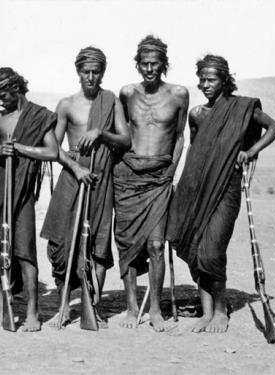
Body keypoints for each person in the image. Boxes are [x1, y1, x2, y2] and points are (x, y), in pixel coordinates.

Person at [167, 54, 275, 333]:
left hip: (227, 187)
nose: (205, 84)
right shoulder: (196, 114)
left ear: (224, 80)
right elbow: (197, 151)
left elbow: (274, 127)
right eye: (202, 79)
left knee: (212, 251)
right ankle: (206, 312)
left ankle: (220, 310)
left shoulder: (242, 108)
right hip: (196, 188)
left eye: (211, 79)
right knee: (194, 246)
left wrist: (250, 151)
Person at [40, 47, 130, 328]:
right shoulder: (66, 105)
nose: (91, 76)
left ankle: (94, 306)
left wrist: (101, 133)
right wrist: (76, 167)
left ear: (103, 72)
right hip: (73, 175)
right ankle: (64, 307)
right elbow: (52, 146)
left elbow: (125, 140)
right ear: (78, 71)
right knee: (61, 243)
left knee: (98, 242)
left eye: (96, 71)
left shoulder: (111, 100)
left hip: (101, 178)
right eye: (86, 71)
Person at [0, 68, 57, 332]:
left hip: (23, 191)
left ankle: (33, 311)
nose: (0, 101)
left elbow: (51, 151)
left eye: (3, 94)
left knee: (24, 251)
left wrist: (20, 149)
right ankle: (2, 307)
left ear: (16, 88)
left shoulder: (39, 116)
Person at [115, 35, 188, 331]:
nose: (149, 69)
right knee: (128, 244)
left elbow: (181, 135)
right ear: (137, 64)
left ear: (163, 63)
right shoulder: (127, 93)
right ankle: (132, 308)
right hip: (128, 176)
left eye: (154, 63)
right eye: (143, 64)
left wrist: (172, 171)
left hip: (159, 176)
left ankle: (155, 309)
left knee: (157, 244)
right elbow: (121, 131)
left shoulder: (179, 94)